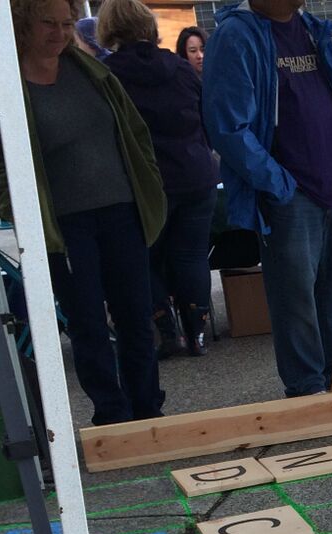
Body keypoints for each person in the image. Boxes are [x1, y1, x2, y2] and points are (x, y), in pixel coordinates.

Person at [0, 0, 168, 425]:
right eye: (48, 24)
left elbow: (133, 131)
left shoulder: (92, 71)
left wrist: (147, 178)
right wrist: (14, 207)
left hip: (121, 210)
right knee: (87, 324)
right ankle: (111, 413)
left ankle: (148, 406)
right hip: (63, 223)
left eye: (66, 24)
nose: (59, 33)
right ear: (24, 24)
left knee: (137, 314)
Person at [203, 0, 332, 396]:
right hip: (290, 190)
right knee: (295, 295)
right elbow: (227, 126)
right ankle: (306, 385)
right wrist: (277, 182)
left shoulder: (310, 28)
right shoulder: (237, 36)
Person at [98, 0, 221, 357]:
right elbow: (206, 116)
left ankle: (165, 327)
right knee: (193, 256)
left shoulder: (107, 76)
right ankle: (197, 333)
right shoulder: (180, 68)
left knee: (141, 258)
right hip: (196, 175)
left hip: (145, 185)